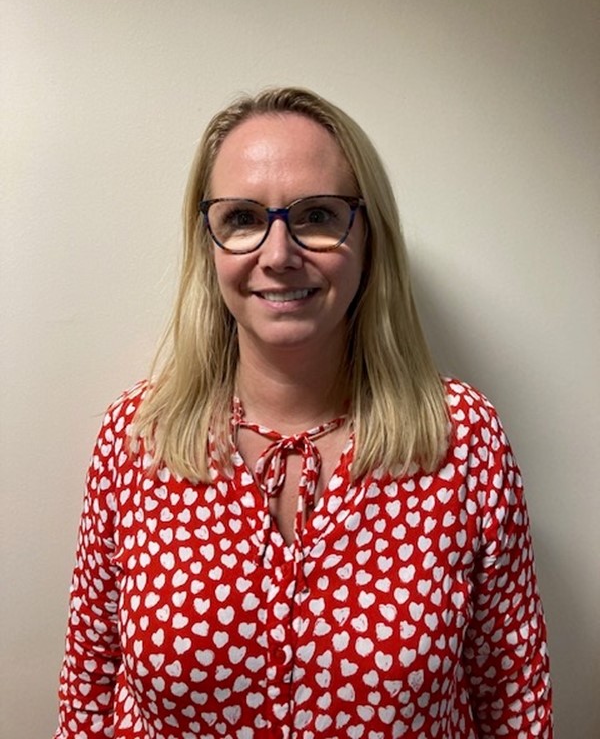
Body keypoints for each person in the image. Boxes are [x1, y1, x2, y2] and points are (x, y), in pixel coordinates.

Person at [55, 86, 552, 739]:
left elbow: (513, 696)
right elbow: (89, 686)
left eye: (317, 215)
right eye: (241, 218)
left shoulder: (463, 439)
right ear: (208, 244)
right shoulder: (135, 441)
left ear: (369, 236)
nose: (280, 252)